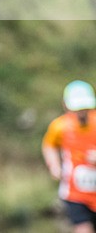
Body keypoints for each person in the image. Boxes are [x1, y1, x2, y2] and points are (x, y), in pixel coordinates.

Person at [42, 80, 96, 233]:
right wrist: (54, 165)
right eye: (77, 109)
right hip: (75, 193)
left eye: (84, 108)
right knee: (83, 228)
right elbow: (49, 145)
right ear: (66, 106)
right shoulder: (60, 126)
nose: (81, 113)